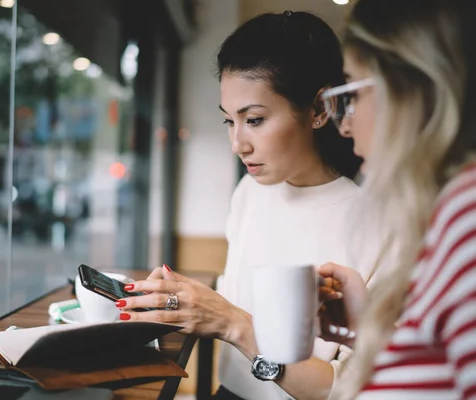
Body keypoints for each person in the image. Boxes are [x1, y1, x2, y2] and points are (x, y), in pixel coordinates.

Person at [116, 12, 367, 400]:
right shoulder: (250, 193)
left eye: (254, 119)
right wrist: (182, 303)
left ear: (320, 110)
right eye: (229, 122)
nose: (238, 144)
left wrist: (232, 322)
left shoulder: (375, 220)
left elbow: (353, 389)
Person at [316, 0, 476, 398]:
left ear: (410, 90)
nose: (346, 125)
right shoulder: (446, 216)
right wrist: (369, 328)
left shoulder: (467, 215)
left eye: (352, 93)